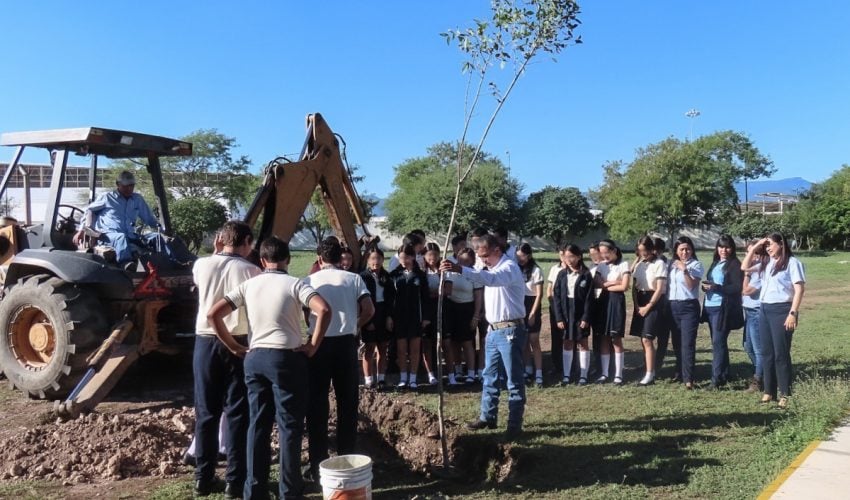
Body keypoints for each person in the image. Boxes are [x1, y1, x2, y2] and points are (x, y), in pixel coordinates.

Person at [208, 237, 331, 500]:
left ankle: (255, 489)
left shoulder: (249, 285)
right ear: (287, 259)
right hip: (287, 358)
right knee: (289, 426)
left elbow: (213, 314)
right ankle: (290, 490)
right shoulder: (296, 284)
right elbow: (324, 309)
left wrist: (233, 346)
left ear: (262, 261)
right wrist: (312, 345)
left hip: (255, 357)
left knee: (258, 423)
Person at [190, 221, 261, 497]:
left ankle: (203, 477)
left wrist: (214, 252)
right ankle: (235, 479)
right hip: (237, 342)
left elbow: (203, 279)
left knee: (206, 412)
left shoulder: (200, 265)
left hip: (205, 341)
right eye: (250, 243)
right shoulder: (251, 270)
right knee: (237, 412)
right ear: (246, 241)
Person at [441, 233, 527, 440]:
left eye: (485, 256)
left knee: (513, 380)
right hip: (493, 330)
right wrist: (452, 268)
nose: (482, 260)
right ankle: (488, 416)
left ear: (497, 250)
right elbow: (478, 273)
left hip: (510, 331)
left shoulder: (509, 268)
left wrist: (460, 269)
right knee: (489, 376)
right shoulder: (488, 267)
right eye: (480, 256)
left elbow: (491, 280)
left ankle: (514, 425)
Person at [303, 237, 375, 480]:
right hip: (346, 343)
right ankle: (347, 458)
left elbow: (302, 310)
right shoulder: (353, 278)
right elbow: (369, 310)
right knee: (347, 403)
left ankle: (317, 464)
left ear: (320, 257)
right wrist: (355, 325)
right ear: (339, 256)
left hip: (318, 343)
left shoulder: (309, 280)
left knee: (317, 404)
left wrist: (308, 329)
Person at [742, 233, 805, 409]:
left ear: (781, 244)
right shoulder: (766, 263)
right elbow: (744, 267)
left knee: (781, 354)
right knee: (767, 353)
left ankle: (785, 393)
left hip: (782, 310)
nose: (768, 248)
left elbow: (799, 289)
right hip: (765, 309)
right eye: (766, 246)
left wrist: (793, 313)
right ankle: (769, 391)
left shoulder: (792, 263)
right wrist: (756, 246)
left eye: (771, 244)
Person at [72, 170, 159, 264]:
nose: (129, 189)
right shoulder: (107, 197)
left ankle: (171, 265)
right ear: (118, 184)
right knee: (121, 237)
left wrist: (162, 229)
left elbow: (149, 219)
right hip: (107, 236)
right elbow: (89, 210)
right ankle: (126, 265)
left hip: (130, 235)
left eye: (131, 186)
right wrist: (81, 230)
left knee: (157, 237)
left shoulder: (137, 199)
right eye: (125, 186)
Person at [700, 235, 745, 389]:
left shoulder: (734, 264)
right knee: (718, 342)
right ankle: (725, 374)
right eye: (720, 247)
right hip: (710, 306)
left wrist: (716, 287)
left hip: (723, 308)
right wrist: (705, 287)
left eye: (727, 247)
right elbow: (711, 282)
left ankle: (716, 379)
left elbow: (737, 288)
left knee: (718, 343)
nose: (723, 250)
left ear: (732, 248)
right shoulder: (716, 263)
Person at [388, 243, 430, 389]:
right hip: (399, 317)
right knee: (401, 349)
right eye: (401, 258)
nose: (403, 260)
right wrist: (390, 317)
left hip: (415, 316)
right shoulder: (394, 275)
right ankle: (403, 377)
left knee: (414, 349)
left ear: (413, 257)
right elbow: (390, 297)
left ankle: (413, 378)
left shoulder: (420, 275)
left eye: (406, 257)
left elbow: (425, 298)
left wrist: (425, 317)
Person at [552, 243, 595, 386]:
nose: (568, 259)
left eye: (571, 256)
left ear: (579, 256)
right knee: (567, 342)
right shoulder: (561, 274)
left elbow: (590, 298)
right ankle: (566, 375)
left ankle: (583, 375)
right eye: (566, 256)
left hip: (580, 312)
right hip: (565, 312)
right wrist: (559, 317)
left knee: (583, 343)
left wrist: (586, 318)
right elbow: (556, 296)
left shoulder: (586, 274)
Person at [629, 236, 668, 386]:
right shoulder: (639, 264)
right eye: (639, 251)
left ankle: (650, 374)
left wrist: (648, 306)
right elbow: (634, 284)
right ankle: (647, 367)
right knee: (642, 337)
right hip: (640, 299)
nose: (643, 253)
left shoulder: (659, 264)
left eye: (645, 250)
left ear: (652, 249)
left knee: (647, 338)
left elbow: (659, 289)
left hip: (654, 301)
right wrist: (637, 305)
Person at [667, 236, 704, 389]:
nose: (685, 252)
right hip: (673, 305)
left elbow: (691, 286)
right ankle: (679, 372)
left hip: (688, 306)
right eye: (681, 249)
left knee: (687, 343)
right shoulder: (671, 265)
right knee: (676, 342)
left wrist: (685, 270)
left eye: (688, 249)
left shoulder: (696, 265)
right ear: (676, 250)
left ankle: (689, 379)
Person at [444, 247, 483, 384]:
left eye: (466, 260)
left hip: (467, 308)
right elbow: (446, 290)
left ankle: (471, 372)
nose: (463, 262)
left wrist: (476, 316)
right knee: (454, 342)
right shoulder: (451, 273)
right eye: (461, 259)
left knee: (467, 342)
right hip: (452, 308)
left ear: (472, 260)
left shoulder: (474, 274)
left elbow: (478, 297)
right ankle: (458, 369)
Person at [596, 239, 631, 385]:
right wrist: (614, 283)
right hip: (603, 302)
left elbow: (624, 286)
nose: (604, 256)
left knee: (616, 338)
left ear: (614, 251)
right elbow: (597, 283)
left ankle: (618, 374)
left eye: (606, 252)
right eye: (602, 253)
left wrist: (607, 284)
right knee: (604, 337)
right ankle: (605, 373)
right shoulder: (601, 266)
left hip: (616, 302)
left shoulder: (624, 264)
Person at [359, 247, 395, 389]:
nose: (376, 261)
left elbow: (391, 299)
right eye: (373, 258)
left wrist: (389, 317)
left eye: (379, 258)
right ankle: (368, 379)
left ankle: (381, 378)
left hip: (383, 312)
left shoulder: (387, 277)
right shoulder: (363, 277)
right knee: (369, 348)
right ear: (368, 260)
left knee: (382, 347)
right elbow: (361, 301)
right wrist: (367, 321)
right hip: (369, 312)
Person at [741, 238, 768, 393]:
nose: (753, 256)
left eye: (756, 252)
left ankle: (759, 380)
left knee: (758, 349)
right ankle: (761, 373)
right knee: (747, 346)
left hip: (757, 311)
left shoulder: (759, 270)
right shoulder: (752, 270)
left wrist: (746, 276)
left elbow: (746, 291)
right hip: (748, 311)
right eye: (750, 252)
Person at [516, 243, 544, 387]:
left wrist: (532, 313)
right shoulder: (516, 269)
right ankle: (527, 369)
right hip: (520, 305)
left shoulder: (536, 270)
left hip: (532, 304)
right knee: (524, 340)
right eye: (518, 256)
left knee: (534, 340)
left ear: (529, 255)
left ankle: (539, 373)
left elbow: (539, 295)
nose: (520, 258)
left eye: (523, 256)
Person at [420, 242, 443, 385]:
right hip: (426, 310)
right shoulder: (422, 272)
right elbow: (423, 293)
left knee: (441, 342)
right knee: (427, 343)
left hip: (441, 309)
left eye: (435, 254)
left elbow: (447, 291)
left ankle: (443, 371)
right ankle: (430, 374)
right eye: (429, 255)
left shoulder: (443, 271)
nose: (432, 258)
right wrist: (434, 293)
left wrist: (433, 293)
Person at [546, 247, 567, 379]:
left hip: (567, 306)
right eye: (560, 255)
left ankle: (569, 365)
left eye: (564, 255)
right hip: (555, 306)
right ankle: (557, 365)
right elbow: (549, 288)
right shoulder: (555, 269)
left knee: (567, 336)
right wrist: (551, 302)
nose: (562, 258)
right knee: (556, 336)